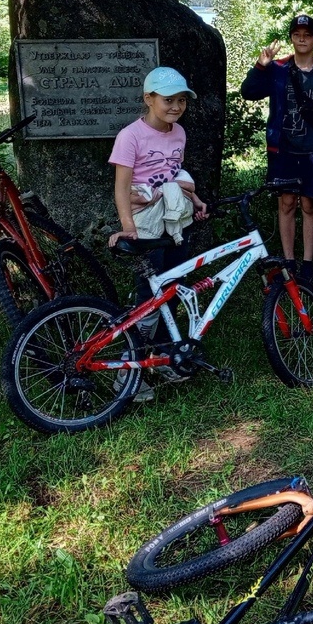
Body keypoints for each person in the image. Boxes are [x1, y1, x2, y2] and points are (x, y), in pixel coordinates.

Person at [107, 67, 209, 401]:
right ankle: (127, 368)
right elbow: (121, 189)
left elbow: (171, 175)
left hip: (174, 220)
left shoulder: (178, 133)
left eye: (181, 100)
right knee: (149, 295)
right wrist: (128, 228)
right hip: (146, 222)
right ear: (149, 99)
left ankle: (165, 355)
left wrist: (195, 200)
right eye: (168, 100)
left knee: (174, 287)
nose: (176, 106)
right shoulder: (130, 136)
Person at [241, 14, 313, 284]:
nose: (302, 38)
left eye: (307, 35)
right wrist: (260, 65)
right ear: (291, 38)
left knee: (310, 204)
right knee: (286, 203)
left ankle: (307, 262)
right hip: (283, 148)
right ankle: (288, 259)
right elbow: (249, 91)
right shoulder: (278, 68)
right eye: (297, 34)